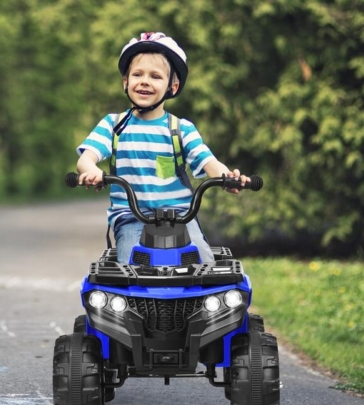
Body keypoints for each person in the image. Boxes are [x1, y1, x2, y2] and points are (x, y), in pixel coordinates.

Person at [76, 32, 250, 264]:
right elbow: (86, 158)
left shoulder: (180, 129)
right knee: (133, 269)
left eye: (156, 76)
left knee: (204, 264)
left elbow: (209, 162)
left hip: (181, 216)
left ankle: (201, 300)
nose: (145, 81)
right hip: (130, 218)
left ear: (172, 86)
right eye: (137, 74)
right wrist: (92, 171)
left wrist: (227, 177)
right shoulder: (113, 125)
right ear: (125, 82)